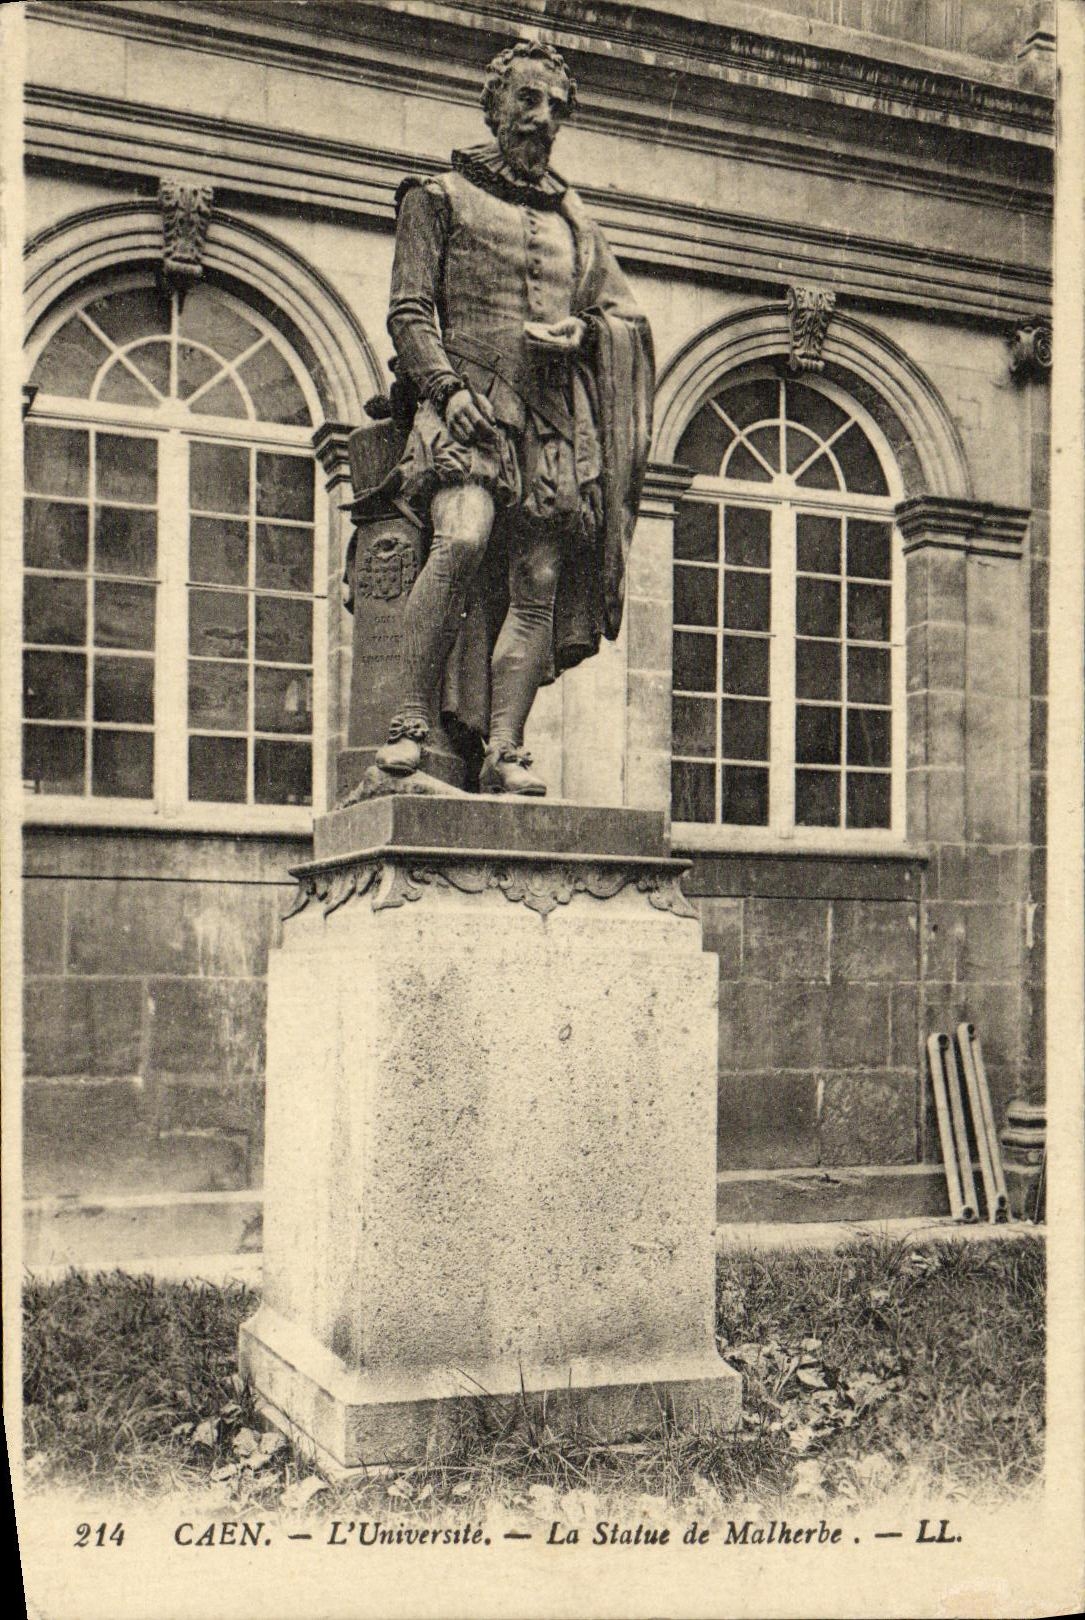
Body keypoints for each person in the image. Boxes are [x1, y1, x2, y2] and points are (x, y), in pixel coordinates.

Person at [373, 39, 653, 795]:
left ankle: (506, 747)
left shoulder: (575, 220)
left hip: (556, 423)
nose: (541, 119)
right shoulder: (435, 196)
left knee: (539, 580)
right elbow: (408, 312)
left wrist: (586, 335)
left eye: (555, 108)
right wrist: (445, 390)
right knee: (460, 538)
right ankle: (408, 722)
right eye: (526, 101)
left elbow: (622, 316)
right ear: (492, 107)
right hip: (466, 408)